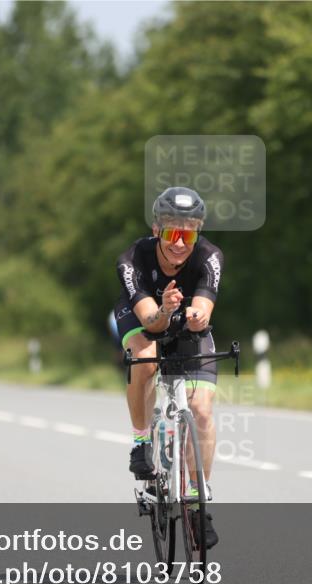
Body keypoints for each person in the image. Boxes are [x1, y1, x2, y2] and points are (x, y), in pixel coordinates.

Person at [115, 186, 224, 548]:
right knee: (145, 359)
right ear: (156, 229)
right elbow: (152, 323)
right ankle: (141, 441)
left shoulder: (209, 257)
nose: (180, 242)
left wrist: (195, 317)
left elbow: (205, 310)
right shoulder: (132, 259)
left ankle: (198, 502)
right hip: (145, 315)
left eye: (189, 233)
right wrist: (165, 308)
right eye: (172, 232)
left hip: (185, 319)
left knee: (202, 412)